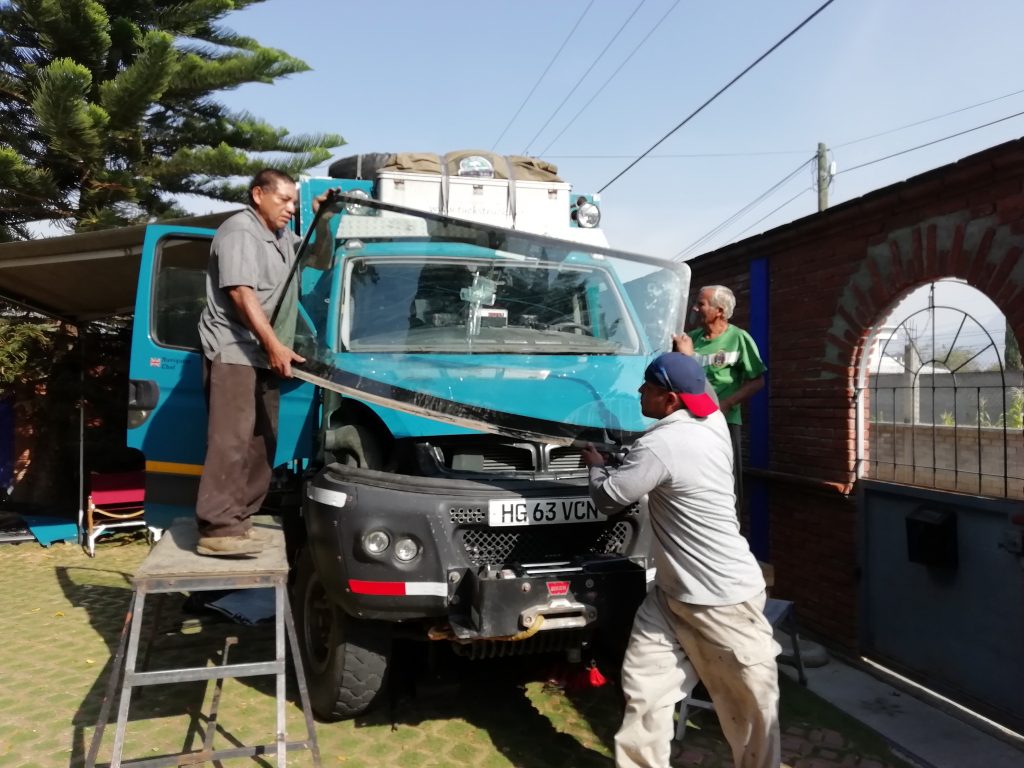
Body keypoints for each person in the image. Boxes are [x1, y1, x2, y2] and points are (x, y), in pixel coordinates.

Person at [581, 352, 780, 768]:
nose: (639, 391)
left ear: (670, 400)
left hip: (722, 600)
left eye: (647, 387)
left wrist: (596, 466)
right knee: (644, 693)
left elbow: (606, 499)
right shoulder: (712, 423)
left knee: (751, 710)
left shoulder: (661, 444)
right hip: (671, 597)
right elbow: (665, 467)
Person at [195, 168, 328, 556]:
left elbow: (318, 258)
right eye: (283, 199)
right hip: (234, 349)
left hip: (263, 352)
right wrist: (273, 345)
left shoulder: (282, 236)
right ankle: (217, 528)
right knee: (230, 440)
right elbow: (240, 292)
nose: (290, 207)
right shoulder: (240, 231)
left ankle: (241, 518)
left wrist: (324, 220)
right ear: (258, 195)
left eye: (293, 201)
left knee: (262, 441)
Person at [673, 285, 765, 510]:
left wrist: (726, 404)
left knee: (725, 482)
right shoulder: (690, 340)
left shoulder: (739, 338)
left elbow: (758, 380)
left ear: (720, 310)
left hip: (724, 423)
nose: (695, 308)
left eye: (701, 304)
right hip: (691, 422)